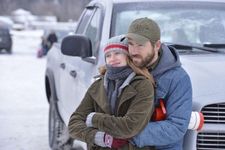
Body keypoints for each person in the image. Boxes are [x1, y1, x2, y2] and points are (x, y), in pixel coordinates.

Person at [68, 35, 155, 150]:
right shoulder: (97, 86)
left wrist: (94, 119)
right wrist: (101, 138)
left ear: (129, 55)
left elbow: (130, 127)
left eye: (118, 53)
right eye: (108, 55)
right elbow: (74, 124)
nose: (112, 58)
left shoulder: (142, 85)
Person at [124, 18, 192, 149]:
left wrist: (127, 133)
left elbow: (176, 127)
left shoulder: (178, 78)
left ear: (157, 45)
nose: (133, 51)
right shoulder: (122, 69)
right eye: (131, 44)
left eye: (140, 45)